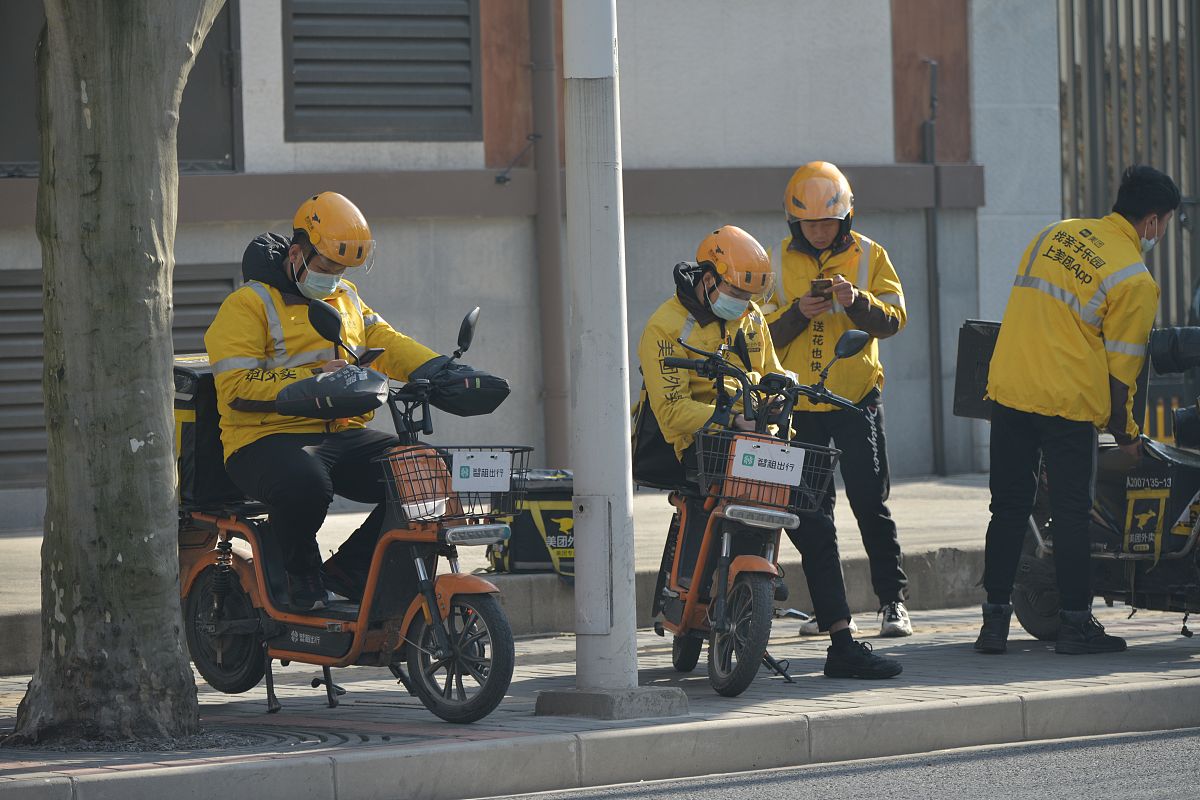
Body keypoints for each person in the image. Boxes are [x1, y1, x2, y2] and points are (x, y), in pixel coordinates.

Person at [638, 224, 902, 679]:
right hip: (697, 448)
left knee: (814, 516)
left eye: (749, 297)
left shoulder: (750, 317)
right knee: (720, 510)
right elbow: (671, 410)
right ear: (707, 276)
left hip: (755, 442)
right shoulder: (664, 327)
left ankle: (841, 643)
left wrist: (780, 398)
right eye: (736, 292)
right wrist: (727, 419)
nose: (742, 305)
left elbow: (770, 370)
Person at [205, 192, 447, 610]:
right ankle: (299, 575)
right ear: (296, 252)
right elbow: (237, 387)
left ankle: (349, 573)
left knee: (426, 472)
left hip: (340, 432)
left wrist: (441, 370)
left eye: (343, 269)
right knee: (306, 485)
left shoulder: (346, 297)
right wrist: (314, 378)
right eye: (327, 266)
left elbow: (387, 342)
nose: (334, 276)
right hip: (262, 440)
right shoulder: (248, 304)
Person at [976, 165, 1181, 655]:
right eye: (1166, 223)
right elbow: (1122, 372)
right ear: (1152, 221)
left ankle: (993, 626)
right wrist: (1128, 433)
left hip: (1008, 389)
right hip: (1065, 405)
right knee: (1071, 516)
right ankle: (1074, 623)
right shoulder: (1135, 279)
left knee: (1007, 509)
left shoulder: (1054, 233)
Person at [762, 162, 913, 637]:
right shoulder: (774, 259)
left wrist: (856, 301)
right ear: (795, 222)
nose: (821, 232)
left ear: (846, 217)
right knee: (810, 516)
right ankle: (833, 616)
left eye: (829, 222)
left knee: (871, 503)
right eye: (811, 224)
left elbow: (894, 319)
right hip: (800, 407)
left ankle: (893, 603)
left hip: (856, 402)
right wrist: (797, 314)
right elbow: (758, 332)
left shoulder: (870, 255)